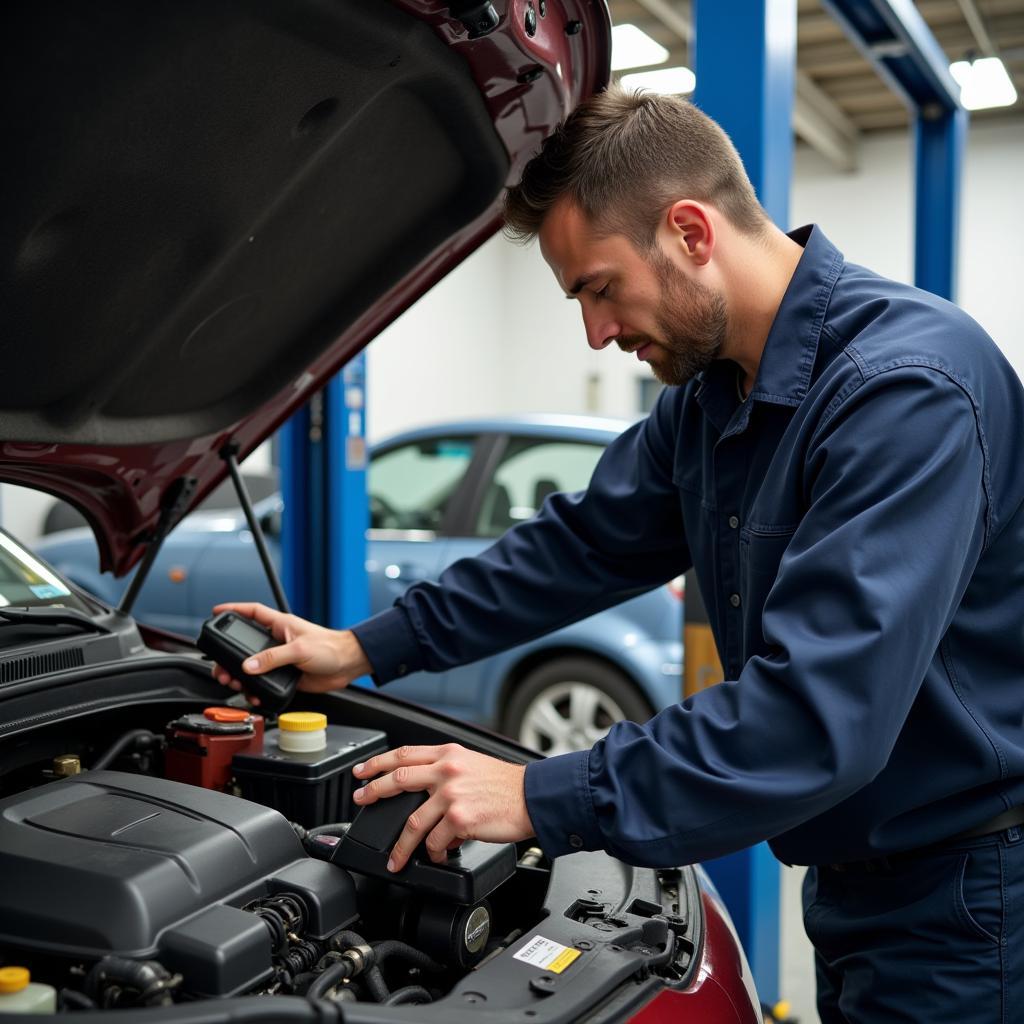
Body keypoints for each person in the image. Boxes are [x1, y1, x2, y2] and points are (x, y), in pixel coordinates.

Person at [214, 86, 1024, 1022]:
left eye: (600, 288)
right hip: (859, 881)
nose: (597, 332)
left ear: (689, 230)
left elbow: (814, 716)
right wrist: (361, 647)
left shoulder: (904, 394)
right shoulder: (715, 396)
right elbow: (578, 546)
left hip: (968, 898)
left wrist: (539, 794)